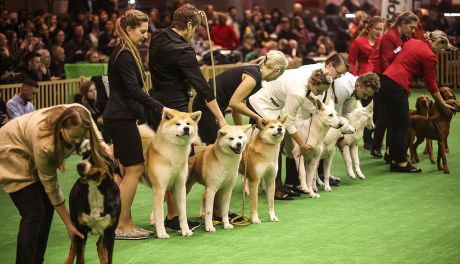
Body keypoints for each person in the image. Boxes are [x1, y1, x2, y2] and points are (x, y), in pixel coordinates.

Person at [148, 4, 228, 230]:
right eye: (194, 29)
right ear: (190, 25)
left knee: (168, 160)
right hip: (176, 107)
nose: (195, 34)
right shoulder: (183, 50)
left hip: (157, 103)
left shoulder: (158, 36)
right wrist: (221, 118)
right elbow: (202, 86)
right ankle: (173, 216)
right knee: (177, 161)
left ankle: (165, 213)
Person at [0, 104, 108, 264]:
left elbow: (91, 124)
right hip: (10, 149)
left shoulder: (80, 111)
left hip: (27, 143)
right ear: (61, 128)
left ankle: (37, 260)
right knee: (34, 212)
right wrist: (69, 225)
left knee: (46, 208)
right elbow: (52, 188)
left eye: (81, 136)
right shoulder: (46, 145)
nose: (78, 142)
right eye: (73, 138)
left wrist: (101, 143)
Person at [103, 9, 165, 240]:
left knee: (130, 169)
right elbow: (133, 90)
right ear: (129, 30)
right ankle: (120, 225)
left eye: (146, 31)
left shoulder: (127, 51)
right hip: (119, 119)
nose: (146, 35)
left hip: (121, 118)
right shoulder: (125, 54)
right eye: (142, 31)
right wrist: (160, 107)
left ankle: (125, 221)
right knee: (135, 169)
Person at [248, 54, 345, 199]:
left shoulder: (310, 80)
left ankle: (279, 186)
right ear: (313, 83)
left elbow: (309, 96)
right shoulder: (298, 92)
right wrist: (302, 144)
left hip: (273, 104)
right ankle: (273, 188)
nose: (320, 94)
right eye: (320, 91)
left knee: (277, 143)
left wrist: (315, 101)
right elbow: (288, 122)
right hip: (261, 103)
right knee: (275, 143)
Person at [380, 30, 455, 173]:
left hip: (386, 81)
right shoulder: (430, 55)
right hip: (397, 85)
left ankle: (394, 160)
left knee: (395, 125)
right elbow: (431, 83)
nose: (441, 51)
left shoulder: (412, 42)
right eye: (442, 48)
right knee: (403, 126)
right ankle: (401, 163)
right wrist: (442, 103)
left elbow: (393, 54)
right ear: (438, 42)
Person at [192, 50, 288, 145]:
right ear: (277, 70)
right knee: (212, 148)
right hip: (206, 104)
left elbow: (236, 107)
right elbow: (234, 103)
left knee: (215, 147)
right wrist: (256, 117)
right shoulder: (254, 77)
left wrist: (241, 132)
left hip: (212, 104)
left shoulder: (255, 72)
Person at [369, 12, 419, 159]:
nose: (413, 30)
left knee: (392, 120)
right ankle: (381, 149)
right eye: (411, 27)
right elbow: (385, 62)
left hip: (395, 81)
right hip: (386, 80)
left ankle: (391, 153)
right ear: (402, 24)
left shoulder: (406, 38)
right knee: (387, 117)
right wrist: (396, 84)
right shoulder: (389, 37)